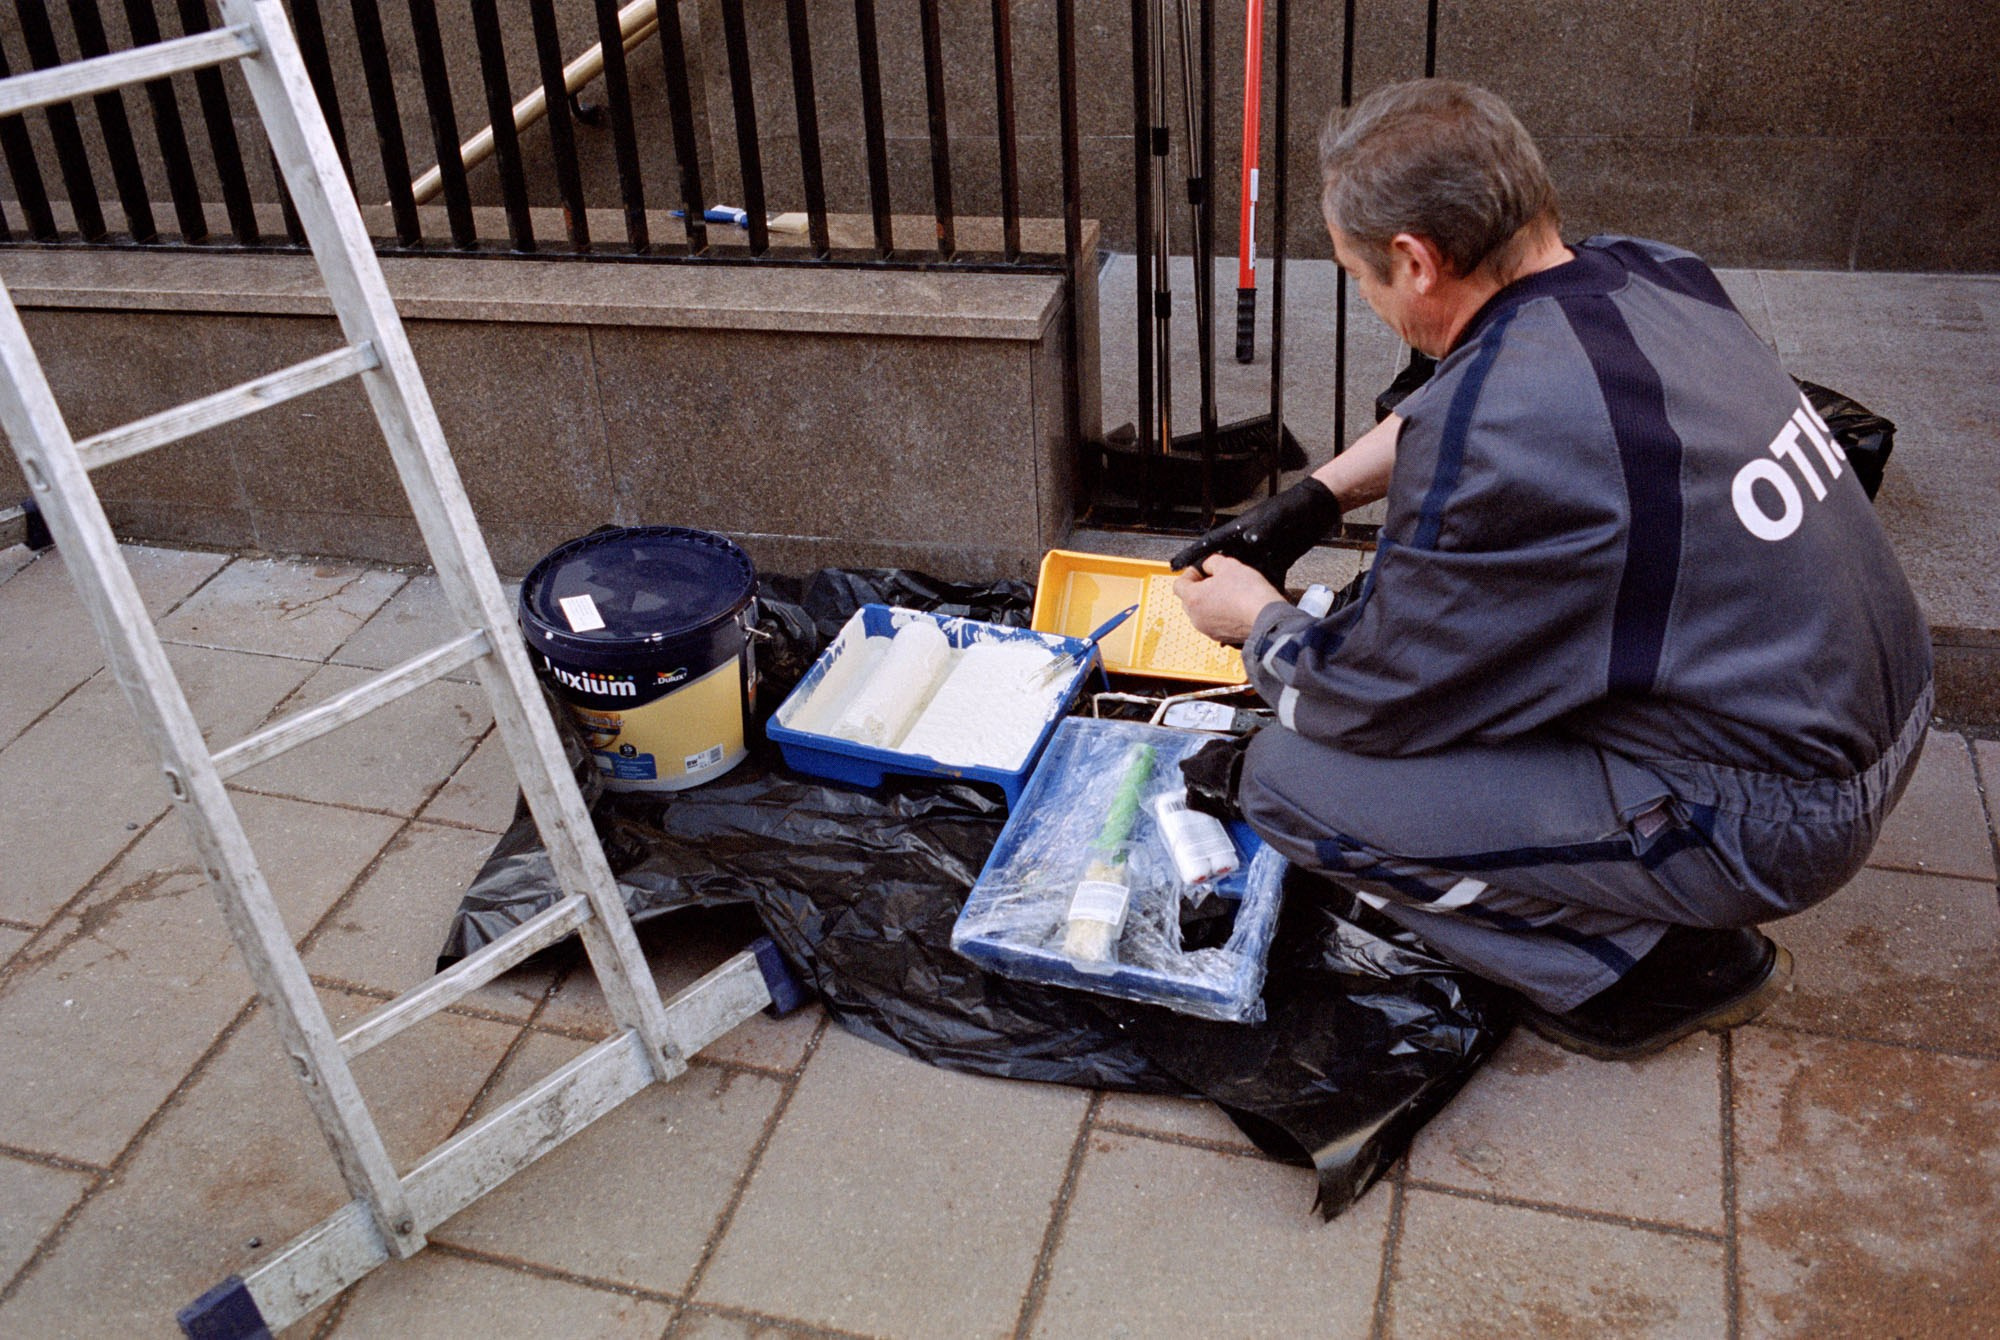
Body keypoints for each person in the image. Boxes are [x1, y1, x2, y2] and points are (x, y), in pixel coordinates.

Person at [1171, 79, 1933, 1060]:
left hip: (1780, 815)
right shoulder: (1647, 276)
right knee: (1501, 669)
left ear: (1412, 261)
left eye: (1357, 276)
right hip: (1883, 705)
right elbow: (1462, 403)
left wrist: (1258, 621)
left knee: (1289, 777)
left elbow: (1358, 696)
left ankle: (1637, 969)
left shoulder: (1501, 436)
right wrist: (1312, 498)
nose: (1365, 297)